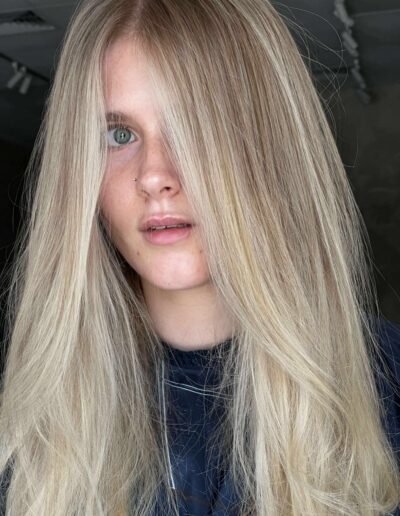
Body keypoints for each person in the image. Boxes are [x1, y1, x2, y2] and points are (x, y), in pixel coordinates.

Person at [0, 0, 399, 514]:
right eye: (119, 135)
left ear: (272, 151)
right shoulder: (26, 426)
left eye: (193, 127)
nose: (154, 175)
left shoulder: (384, 384)